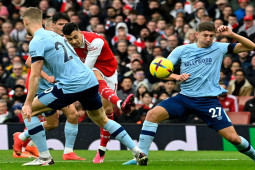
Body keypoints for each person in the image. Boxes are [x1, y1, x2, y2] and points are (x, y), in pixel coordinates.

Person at [16, 7, 146, 166]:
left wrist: (28, 103)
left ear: (26, 22)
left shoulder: (37, 41)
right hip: (90, 81)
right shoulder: (55, 35)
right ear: (42, 21)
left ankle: (44, 157)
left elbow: (35, 75)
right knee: (103, 119)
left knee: (29, 110)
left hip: (70, 85)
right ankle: (137, 151)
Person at [123, 22, 255, 166]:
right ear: (197, 35)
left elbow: (251, 46)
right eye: (205, 35)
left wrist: (232, 35)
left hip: (208, 102)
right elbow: (162, 71)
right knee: (152, 115)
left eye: (211, 36)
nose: (209, 39)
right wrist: (176, 77)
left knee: (233, 139)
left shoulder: (219, 48)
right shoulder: (182, 50)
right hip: (184, 98)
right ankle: (140, 158)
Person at [13, 16, 86, 161]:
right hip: (44, 87)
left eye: (66, 24)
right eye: (60, 24)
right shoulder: (46, 38)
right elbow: (28, 61)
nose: (64, 26)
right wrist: (48, 78)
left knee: (54, 123)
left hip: (57, 86)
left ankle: (21, 137)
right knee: (72, 114)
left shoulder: (64, 40)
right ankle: (66, 152)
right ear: (52, 26)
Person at [62, 22, 135, 163]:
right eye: (70, 39)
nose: (74, 42)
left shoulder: (96, 41)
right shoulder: (66, 43)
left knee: (107, 110)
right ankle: (120, 103)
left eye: (75, 37)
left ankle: (101, 149)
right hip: (94, 71)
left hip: (108, 71)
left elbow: (86, 70)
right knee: (105, 112)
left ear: (80, 31)